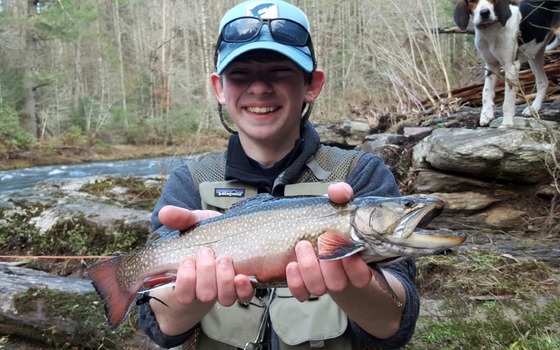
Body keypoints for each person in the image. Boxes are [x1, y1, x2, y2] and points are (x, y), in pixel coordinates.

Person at [137, 1, 420, 349]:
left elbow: (394, 323)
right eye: (240, 74)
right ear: (219, 88)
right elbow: (159, 326)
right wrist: (195, 291)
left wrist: (350, 281)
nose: (259, 87)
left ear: (312, 84)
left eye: (279, 71)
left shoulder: (360, 175)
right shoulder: (189, 181)